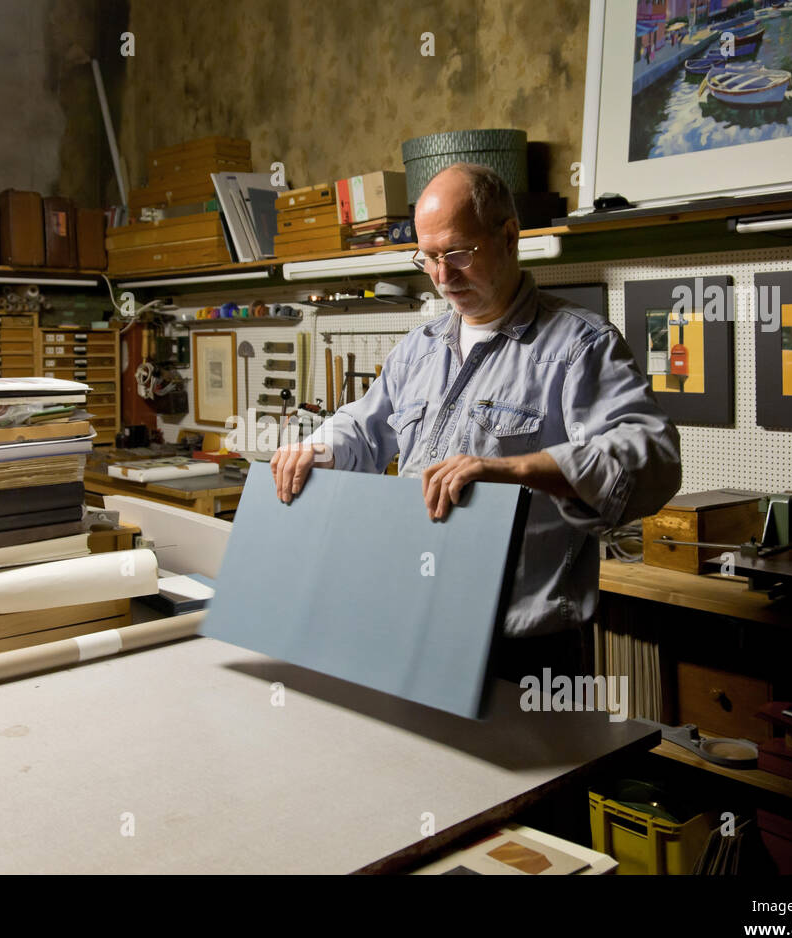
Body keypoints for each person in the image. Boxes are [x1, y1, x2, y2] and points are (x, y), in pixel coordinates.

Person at [270, 163, 681, 680]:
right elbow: (365, 425)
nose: (443, 276)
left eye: (459, 253)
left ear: (508, 236)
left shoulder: (580, 346)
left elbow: (652, 455)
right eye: (430, 258)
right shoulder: (416, 352)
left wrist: (518, 470)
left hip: (524, 652)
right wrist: (318, 447)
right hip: (417, 626)